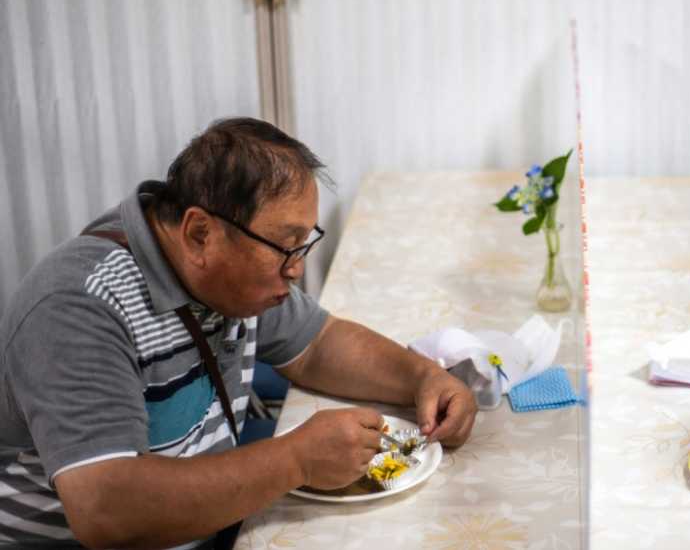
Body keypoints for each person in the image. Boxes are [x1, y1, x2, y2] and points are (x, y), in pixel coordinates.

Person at [0, 118, 477, 549]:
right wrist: (296, 460)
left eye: (303, 244)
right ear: (199, 235)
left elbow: (318, 344)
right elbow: (107, 512)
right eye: (284, 248)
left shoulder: (231, 278)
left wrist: (423, 379)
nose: (296, 270)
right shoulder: (78, 305)